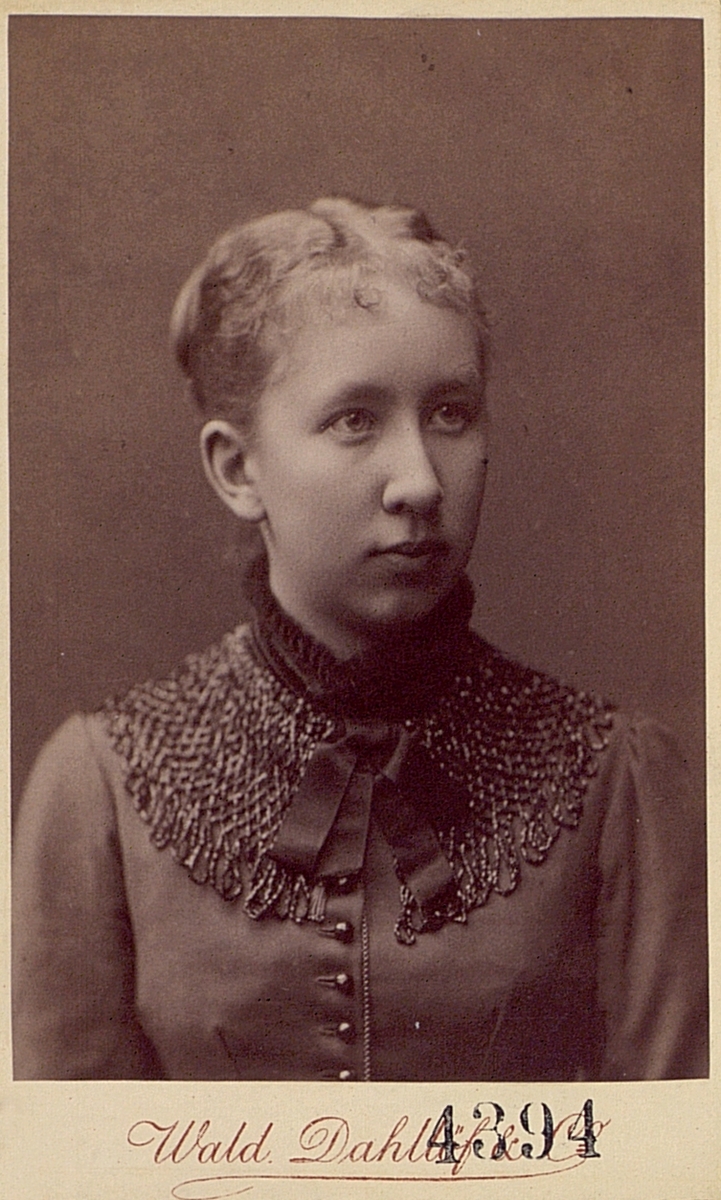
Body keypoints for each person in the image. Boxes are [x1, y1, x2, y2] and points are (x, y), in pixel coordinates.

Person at [12, 197, 707, 1081]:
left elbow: (667, 1143)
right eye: (354, 421)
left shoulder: (614, 780)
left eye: (451, 413)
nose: (420, 482)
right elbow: (72, 1147)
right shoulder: (99, 786)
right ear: (237, 469)